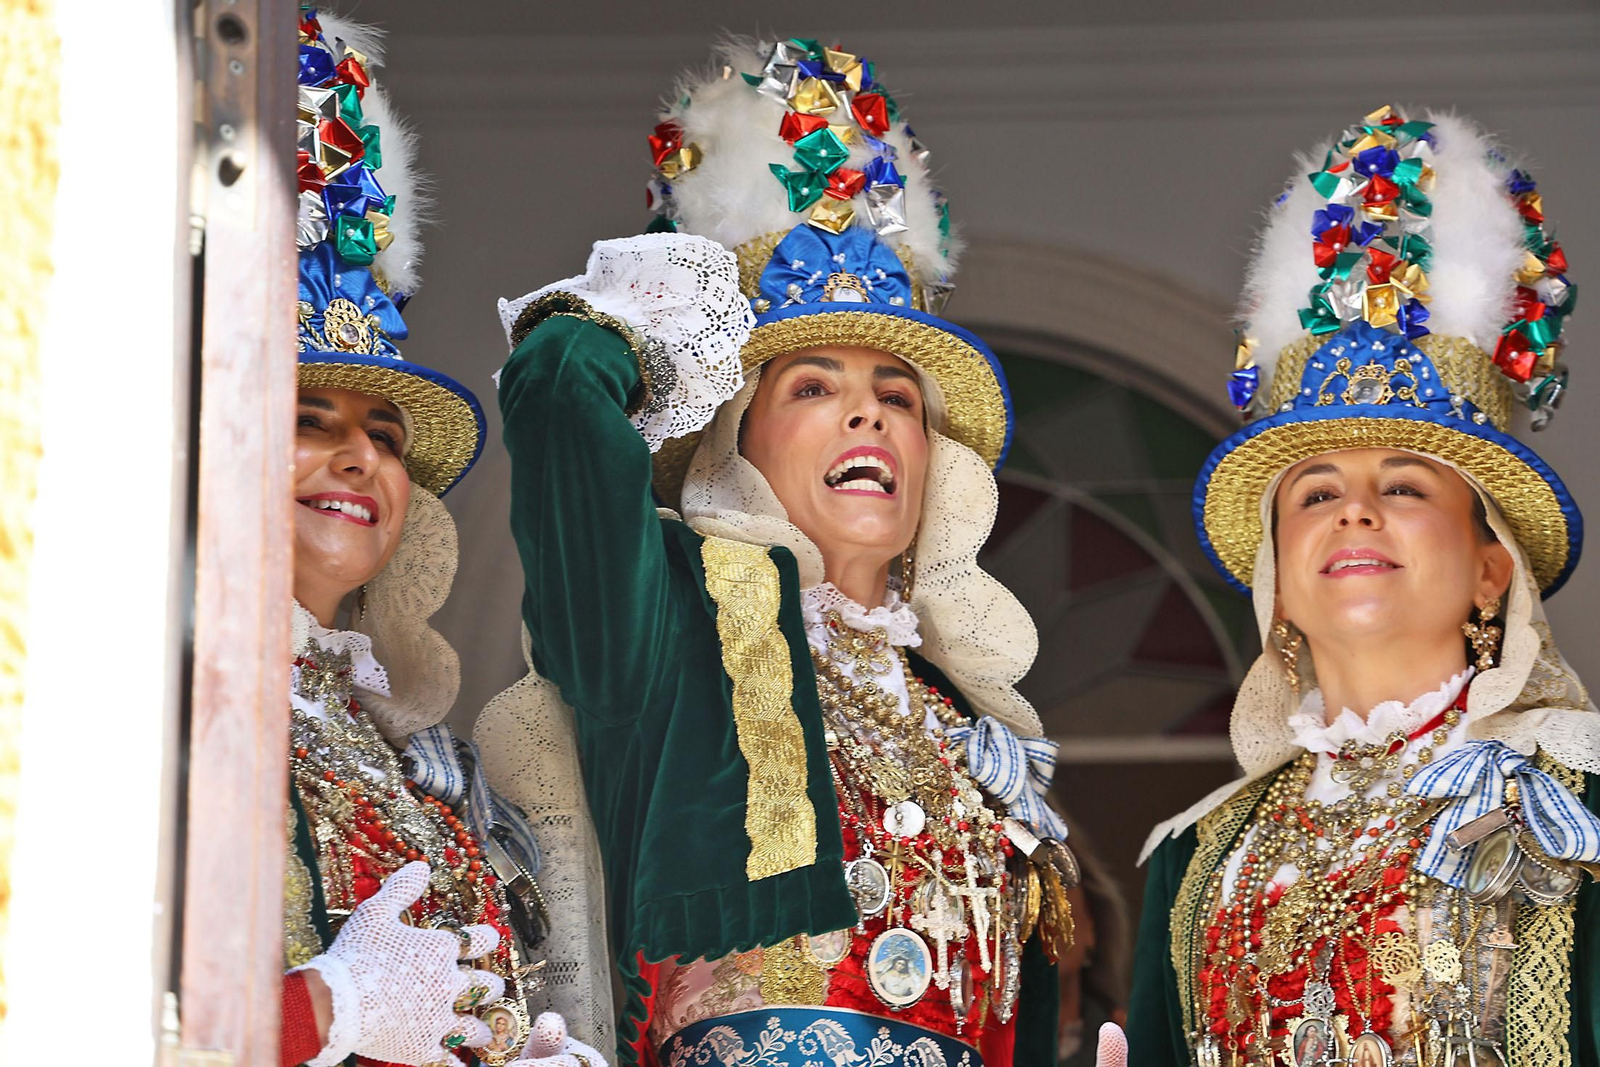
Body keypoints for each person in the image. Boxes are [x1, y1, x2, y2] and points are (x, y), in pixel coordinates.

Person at [483, 36, 1077, 1067]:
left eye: (897, 397)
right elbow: (557, 391)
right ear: (734, 428)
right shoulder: (668, 623)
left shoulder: (963, 715)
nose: (869, 416)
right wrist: (654, 312)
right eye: (813, 387)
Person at [1113, 107, 1599, 1067]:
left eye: (1406, 486)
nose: (1355, 511)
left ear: (1492, 566)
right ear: (1279, 585)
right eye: (1317, 491)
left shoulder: (1574, 817)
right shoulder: (1198, 860)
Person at [279, 11, 606, 1067]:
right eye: (308, 420)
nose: (364, 459)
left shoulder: (407, 758)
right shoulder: (142, 705)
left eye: (384, 436)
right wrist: (317, 1012)